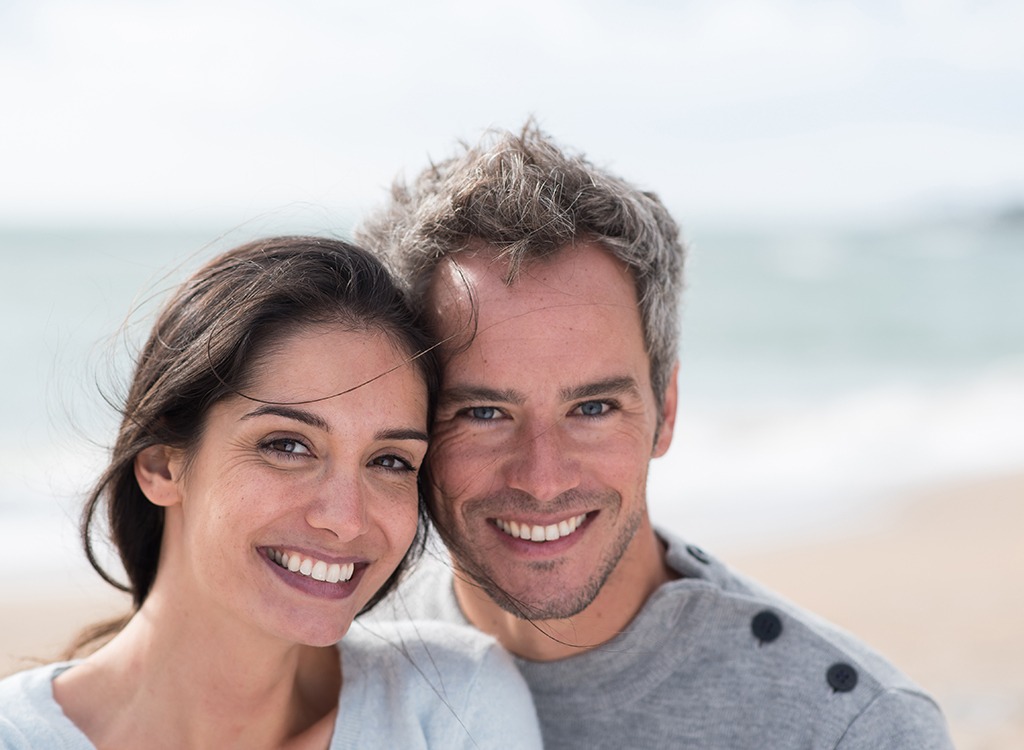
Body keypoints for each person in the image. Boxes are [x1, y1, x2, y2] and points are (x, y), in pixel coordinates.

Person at [357, 124, 957, 748]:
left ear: (665, 410)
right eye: (483, 412)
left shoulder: (851, 729)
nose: (542, 477)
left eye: (592, 408)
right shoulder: (341, 661)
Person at [0, 237, 542, 749]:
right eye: (288, 446)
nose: (346, 519)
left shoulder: (452, 707)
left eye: (389, 461)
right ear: (163, 465)